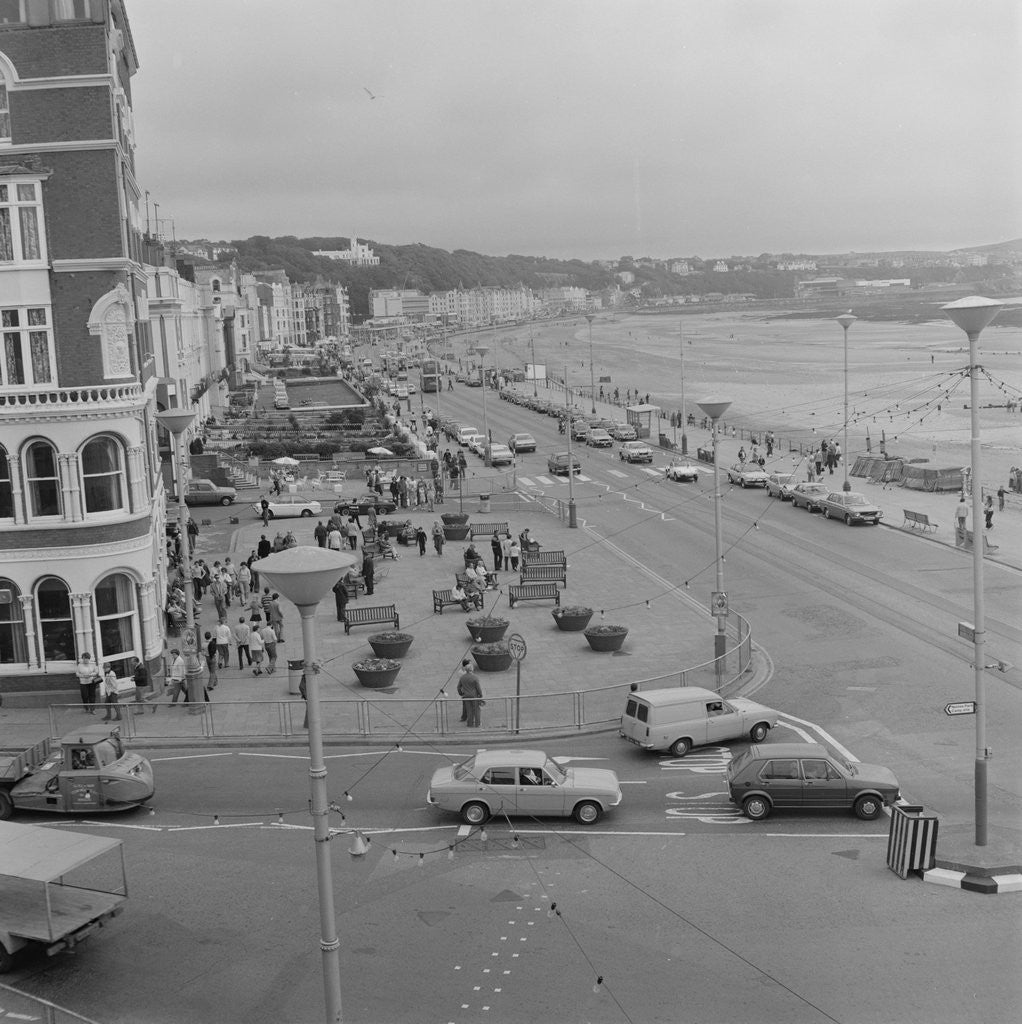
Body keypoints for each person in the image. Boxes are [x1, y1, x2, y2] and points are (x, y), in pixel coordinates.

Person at [457, 659, 483, 727]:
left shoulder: (462, 677)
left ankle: (470, 723)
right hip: (474, 696)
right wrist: (481, 695)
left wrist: (461, 693)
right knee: (476, 710)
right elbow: (478, 688)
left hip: (466, 696)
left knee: (469, 710)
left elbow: (458, 687)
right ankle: (477, 723)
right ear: (472, 669)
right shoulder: (475, 677)